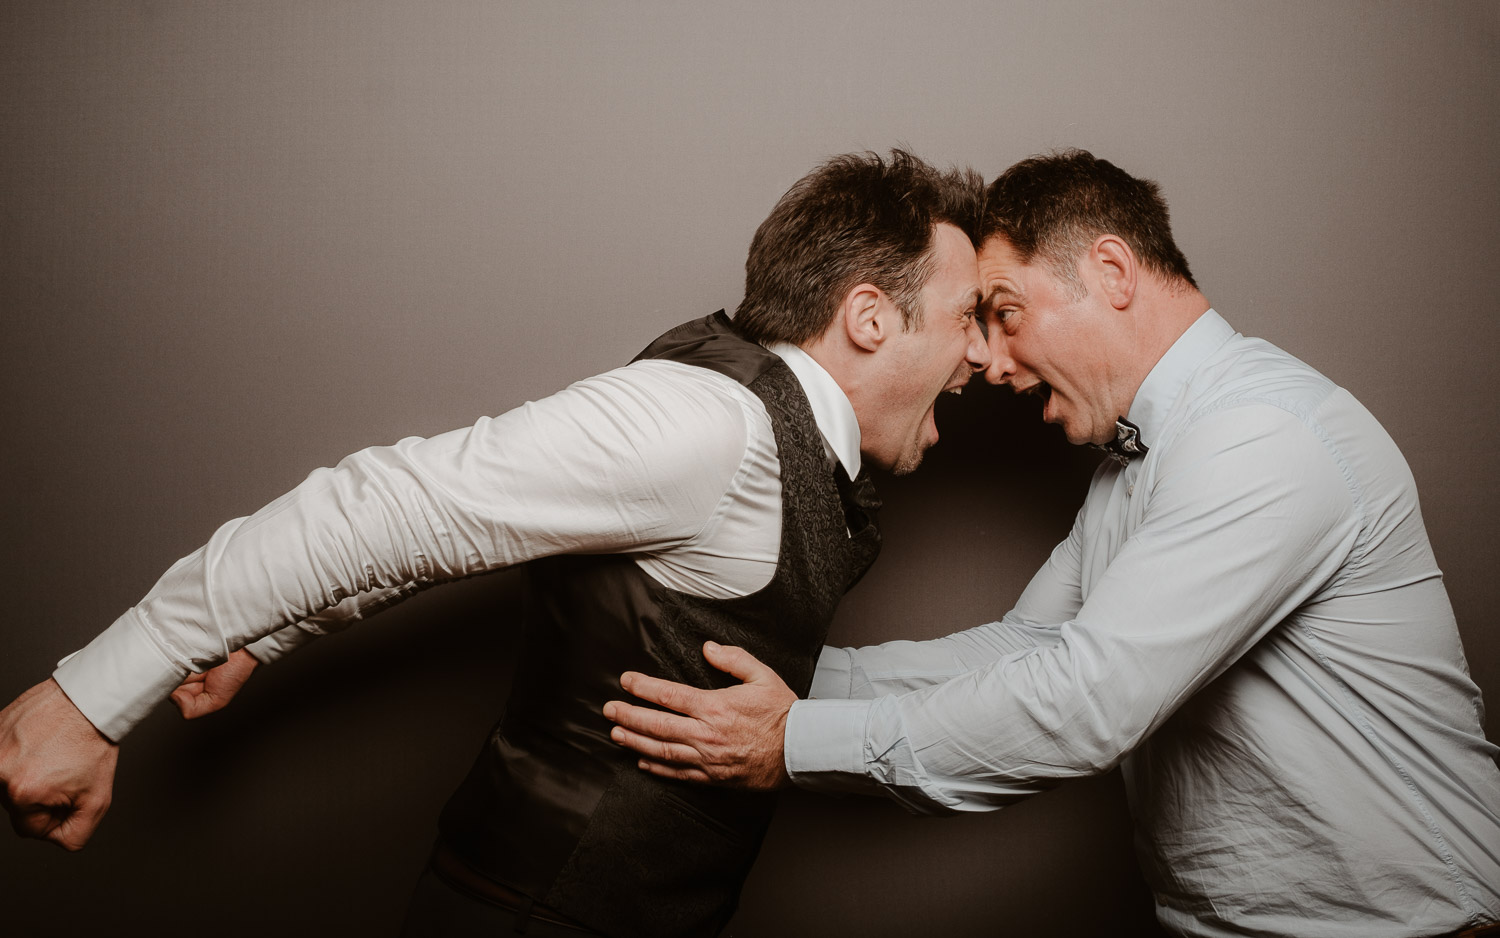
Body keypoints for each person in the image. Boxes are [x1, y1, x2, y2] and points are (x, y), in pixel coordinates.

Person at [0, 150, 992, 938]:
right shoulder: (707, 426)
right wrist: (94, 695)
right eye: (965, 318)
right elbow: (392, 506)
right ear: (868, 316)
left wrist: (261, 633)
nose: (984, 353)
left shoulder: (771, 431)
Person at [605, 150, 1500, 937]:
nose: (990, 361)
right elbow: (1028, 648)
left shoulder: (1262, 436)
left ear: (1111, 271)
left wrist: (792, 741)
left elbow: (1084, 702)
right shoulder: (1143, 456)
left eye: (1004, 310)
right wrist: (771, 675)